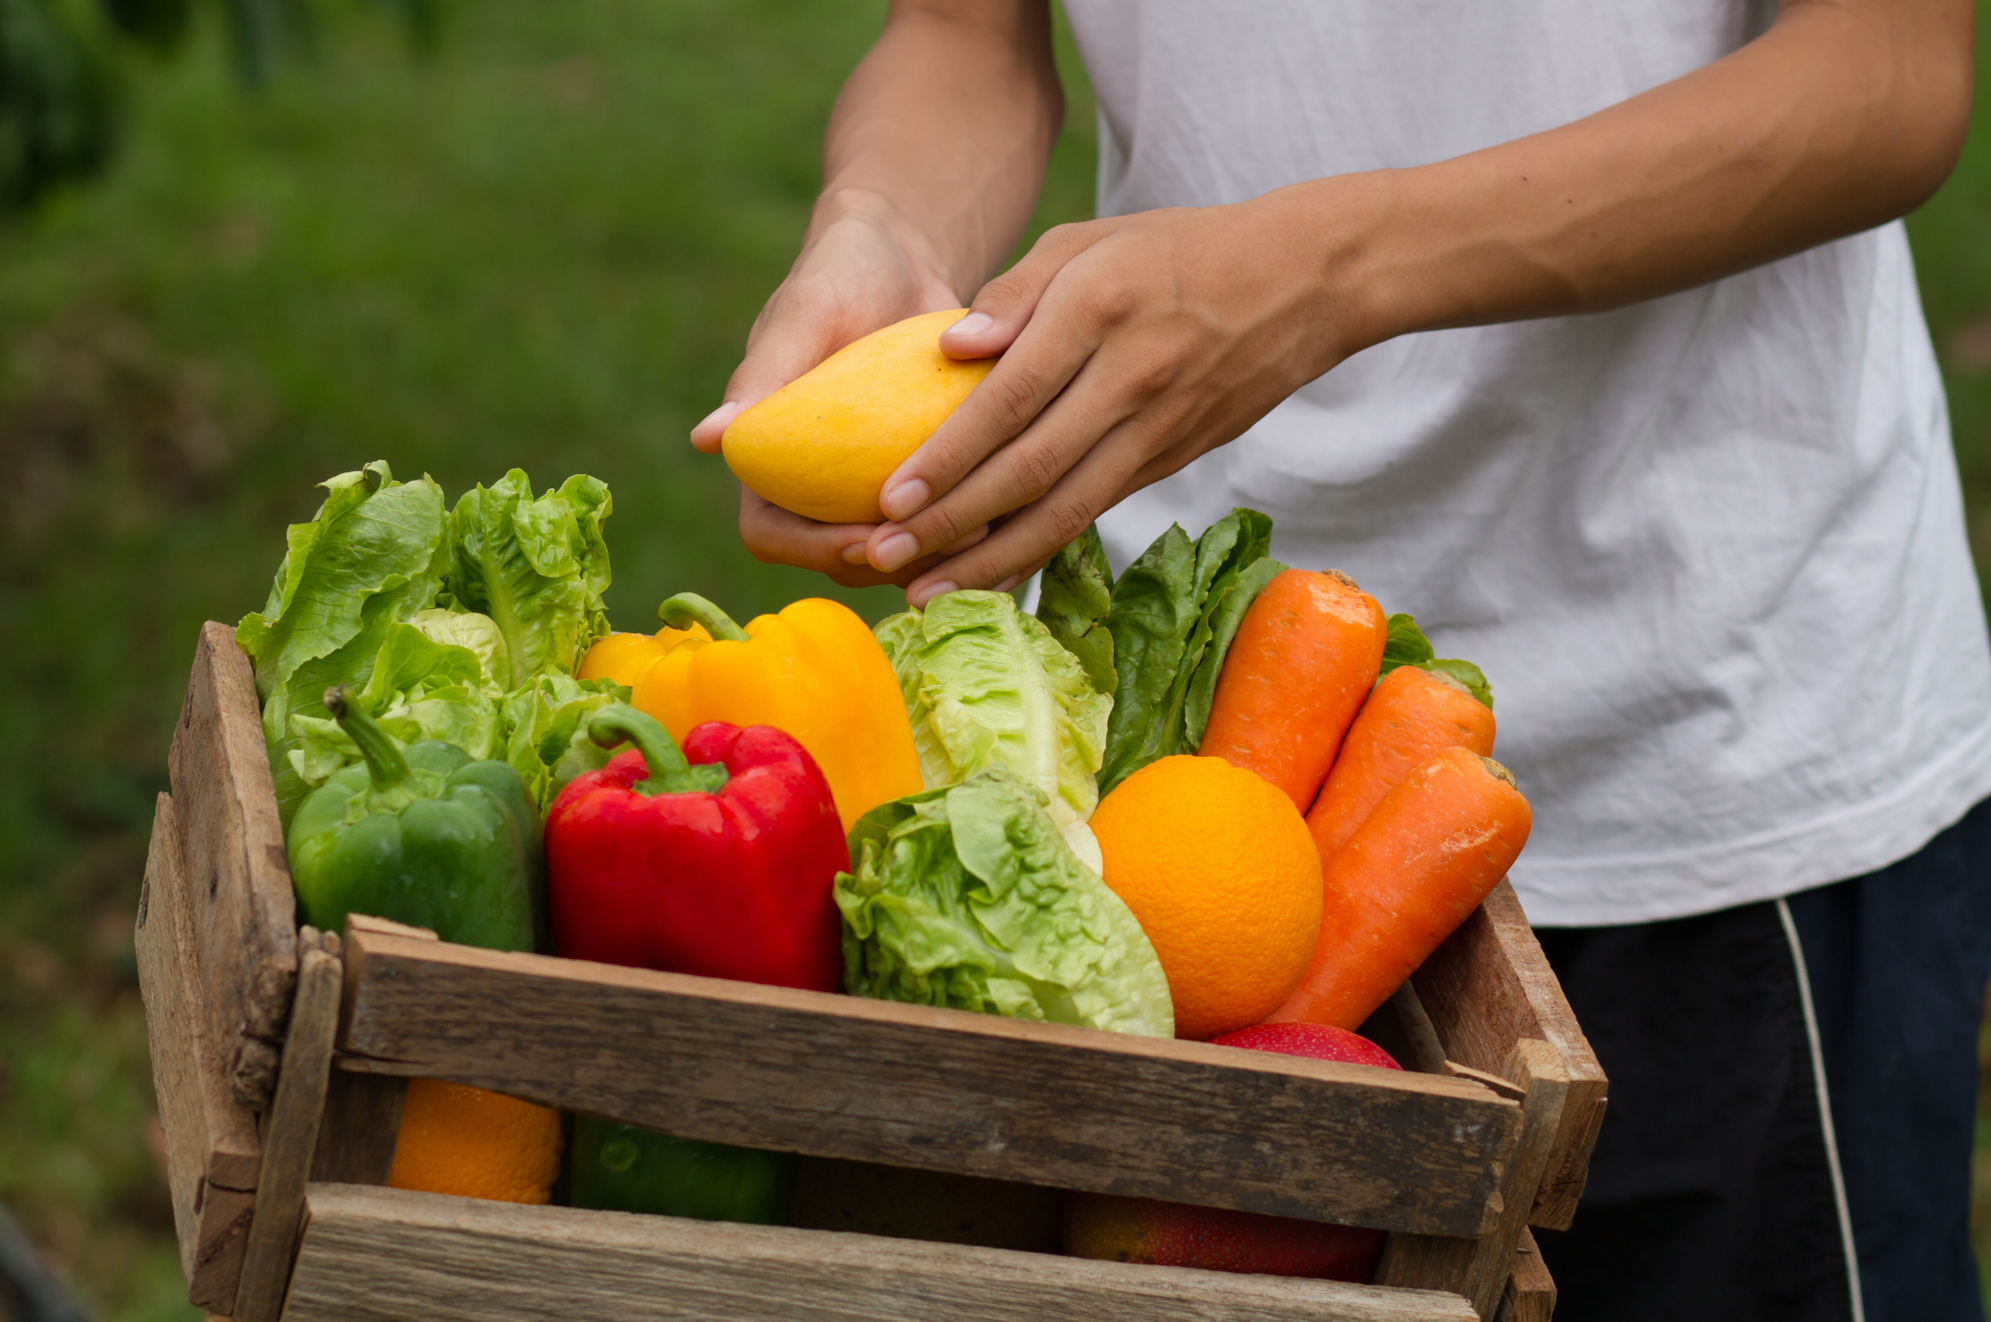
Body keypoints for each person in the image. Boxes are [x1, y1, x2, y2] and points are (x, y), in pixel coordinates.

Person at [689, 3, 1991, 1318]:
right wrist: (887, 224)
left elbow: (1882, 78)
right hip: (1176, 783)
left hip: (1705, 743)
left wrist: (1322, 266)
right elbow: (963, 37)